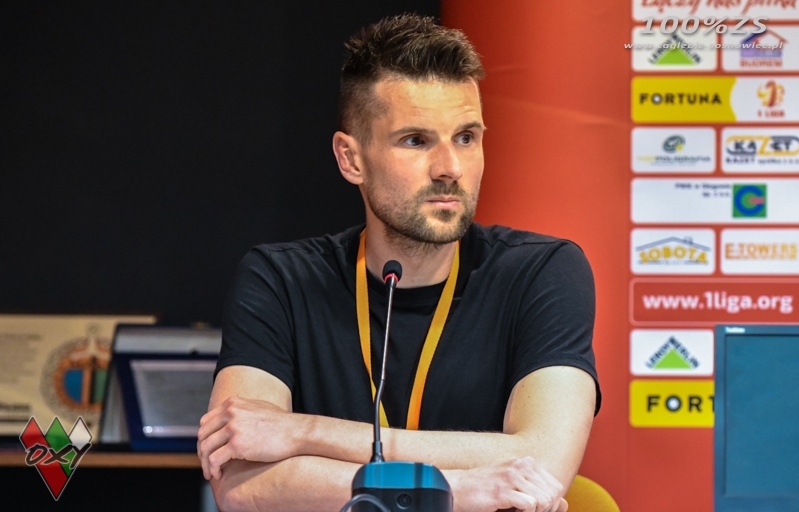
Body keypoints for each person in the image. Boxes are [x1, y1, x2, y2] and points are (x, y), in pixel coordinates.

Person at [198, 14, 599, 512]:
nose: (450, 167)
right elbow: (240, 485)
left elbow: (542, 464)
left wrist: (304, 433)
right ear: (351, 159)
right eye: (416, 140)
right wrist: (466, 488)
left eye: (466, 137)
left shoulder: (544, 272)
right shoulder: (279, 279)